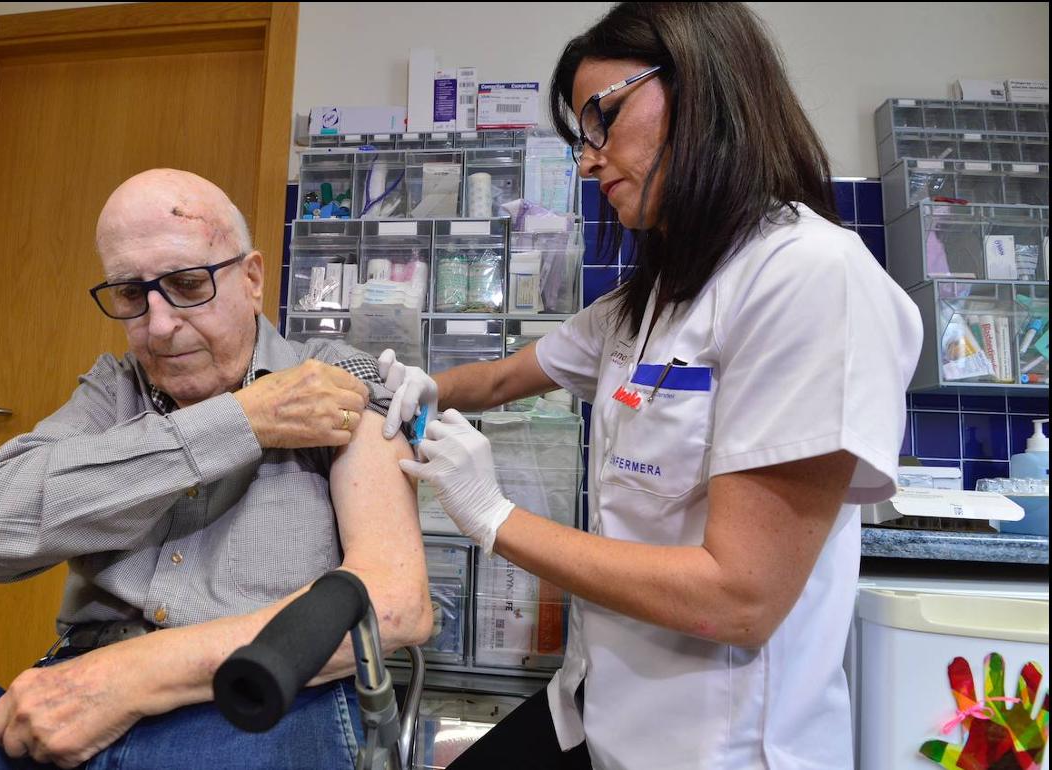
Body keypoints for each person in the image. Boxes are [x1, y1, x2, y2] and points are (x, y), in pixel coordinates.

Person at [382, 4, 921, 769]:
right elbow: (503, 376)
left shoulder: (808, 278)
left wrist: (497, 518)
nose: (587, 161)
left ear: (701, 91)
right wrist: (418, 385)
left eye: (601, 120)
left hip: (712, 745)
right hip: (600, 704)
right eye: (581, 136)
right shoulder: (653, 298)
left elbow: (738, 598)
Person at [0, 168, 432, 770]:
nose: (158, 326)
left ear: (252, 279)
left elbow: (394, 602)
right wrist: (242, 421)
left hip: (258, 699)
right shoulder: (112, 392)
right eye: (131, 294)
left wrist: (132, 677)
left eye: (186, 284)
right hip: (74, 693)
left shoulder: (334, 381)